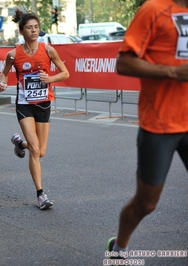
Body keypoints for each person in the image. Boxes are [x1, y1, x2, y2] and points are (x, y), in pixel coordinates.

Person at [106, 0, 188, 262]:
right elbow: (123, 63)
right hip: (160, 124)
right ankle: (118, 248)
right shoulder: (155, 9)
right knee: (147, 204)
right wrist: (173, 72)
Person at [0, 10, 69, 210]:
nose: (34, 30)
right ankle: (40, 194)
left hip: (44, 104)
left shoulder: (48, 50)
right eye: (29, 27)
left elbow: (65, 73)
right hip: (24, 105)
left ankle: (20, 144)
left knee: (41, 151)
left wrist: (50, 79)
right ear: (22, 31)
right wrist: (2, 84)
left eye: (36, 27)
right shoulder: (13, 54)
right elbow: (3, 76)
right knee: (35, 149)